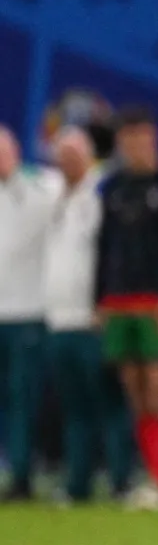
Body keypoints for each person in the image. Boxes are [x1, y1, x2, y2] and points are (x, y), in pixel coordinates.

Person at [96, 107, 158, 508]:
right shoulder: (113, 188)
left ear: (154, 138)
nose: (135, 145)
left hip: (157, 302)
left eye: (141, 137)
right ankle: (151, 476)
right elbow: (105, 247)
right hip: (120, 300)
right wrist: (100, 298)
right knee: (134, 391)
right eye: (128, 138)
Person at [41, 125, 125, 503]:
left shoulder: (102, 193)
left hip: (94, 319)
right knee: (74, 409)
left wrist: (105, 302)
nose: (68, 161)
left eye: (75, 154)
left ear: (89, 155)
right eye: (62, 155)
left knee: (109, 403)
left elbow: (112, 253)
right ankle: (78, 485)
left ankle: (121, 481)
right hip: (59, 320)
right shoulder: (52, 196)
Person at [0, 122, 57, 498]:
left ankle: (21, 474)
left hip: (27, 316)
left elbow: (84, 183)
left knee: (21, 400)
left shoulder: (43, 188)